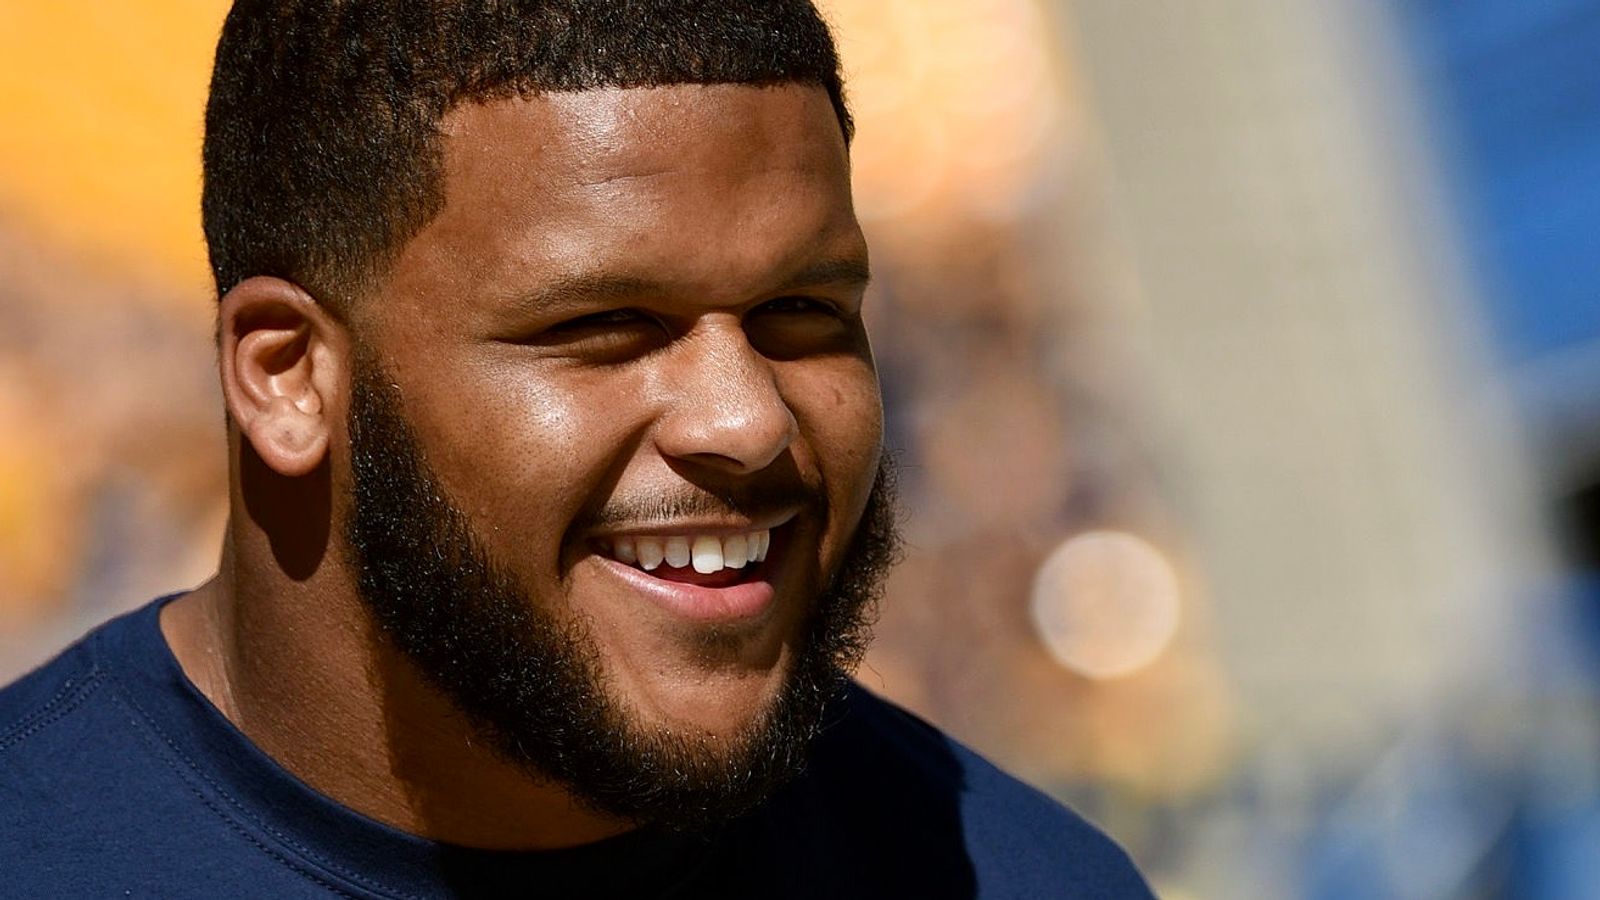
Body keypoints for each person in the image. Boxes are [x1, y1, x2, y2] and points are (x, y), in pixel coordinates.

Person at [0, 2, 1153, 897]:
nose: (744, 421)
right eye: (604, 329)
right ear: (287, 376)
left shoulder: (1017, 880)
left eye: (803, 316)